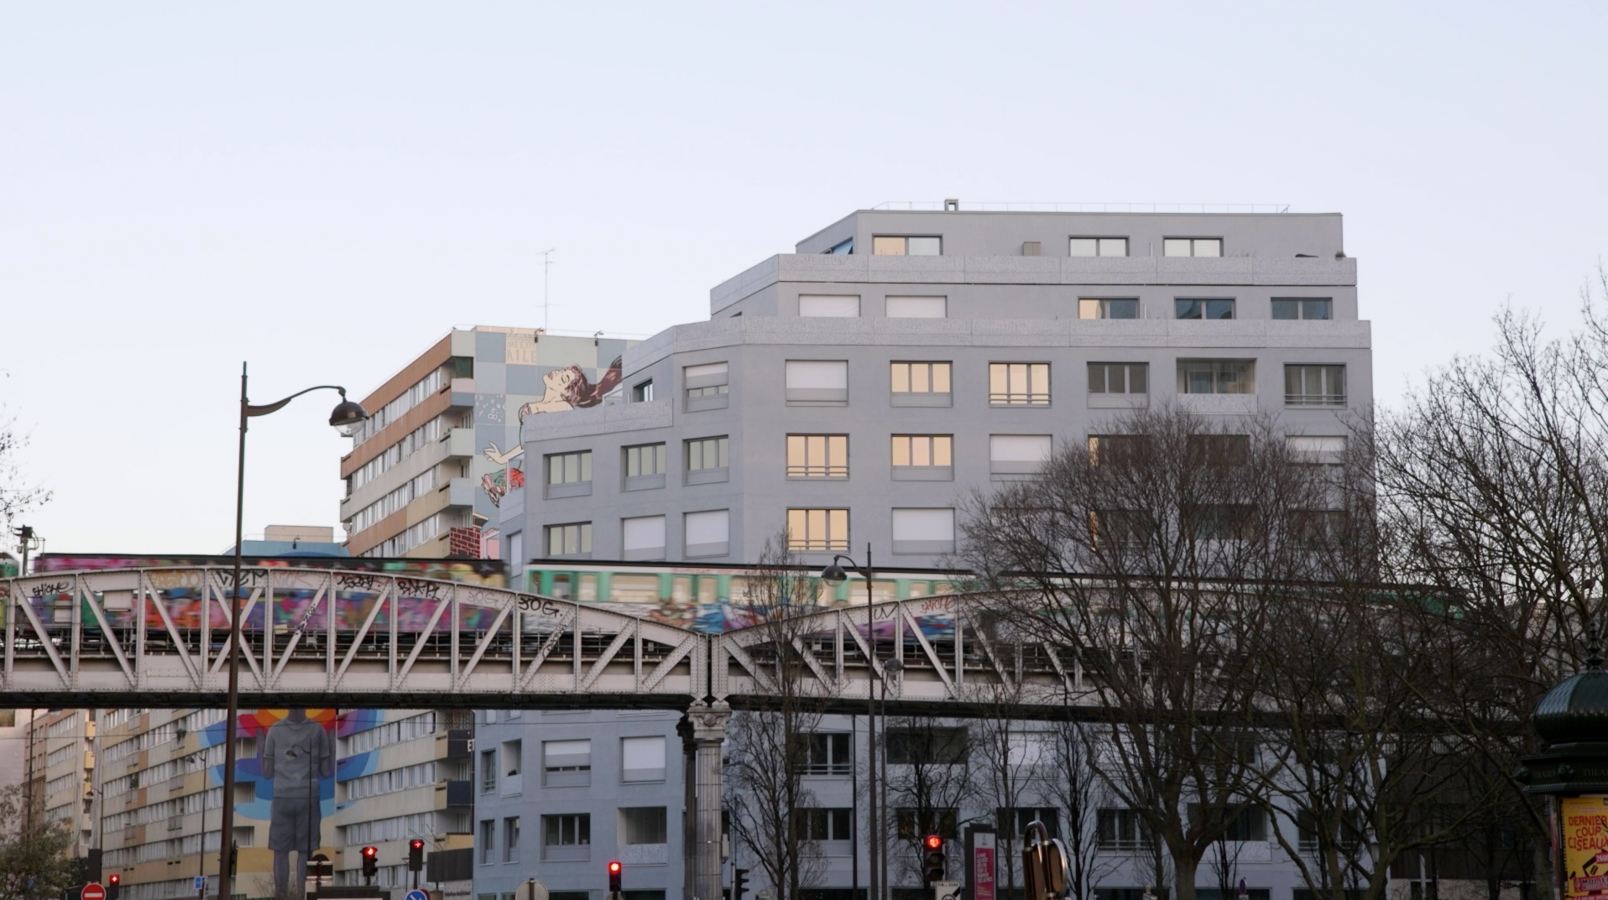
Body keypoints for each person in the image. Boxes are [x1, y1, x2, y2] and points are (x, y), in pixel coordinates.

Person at [260, 709, 334, 897]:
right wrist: (332, 746)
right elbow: (326, 771)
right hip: (308, 798)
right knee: (305, 851)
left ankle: (281, 895)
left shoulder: (274, 730)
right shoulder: (318, 730)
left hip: (281, 797)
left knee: (280, 851)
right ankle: (304, 895)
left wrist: (262, 749)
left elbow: (267, 773)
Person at [517, 357, 622, 423]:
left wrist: (531, 408)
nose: (556, 372)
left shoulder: (565, 407)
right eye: (562, 371)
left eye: (563, 378)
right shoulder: (543, 407)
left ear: (566, 392)